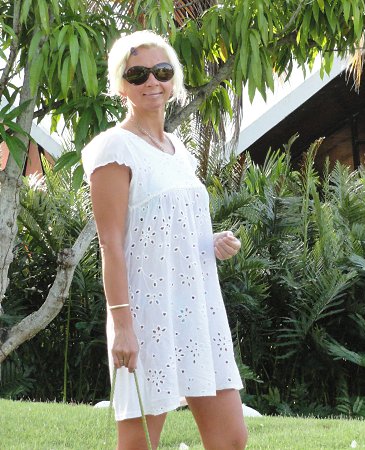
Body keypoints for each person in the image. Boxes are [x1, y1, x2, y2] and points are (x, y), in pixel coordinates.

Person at [82, 30, 248, 450]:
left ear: (174, 79)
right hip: (145, 315)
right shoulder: (113, 148)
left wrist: (212, 241)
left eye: (161, 71)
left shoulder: (178, 149)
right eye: (137, 74)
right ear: (121, 85)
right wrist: (123, 327)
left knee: (231, 439)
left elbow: (169, 227)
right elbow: (110, 244)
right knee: (139, 443)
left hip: (197, 310)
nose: (151, 81)